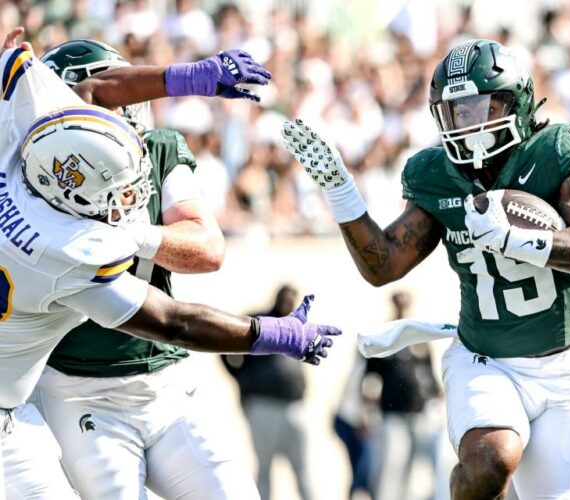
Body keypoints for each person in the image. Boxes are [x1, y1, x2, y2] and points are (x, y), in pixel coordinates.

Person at [0, 27, 340, 499]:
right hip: (73, 394)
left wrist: (192, 76)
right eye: (117, 194)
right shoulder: (67, 249)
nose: (132, 193)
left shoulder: (22, 144)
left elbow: (94, 90)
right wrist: (271, 334)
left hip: (162, 385)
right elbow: (173, 321)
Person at [283, 38, 570, 498]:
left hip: (562, 369)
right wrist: (341, 190)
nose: (470, 122)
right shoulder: (436, 173)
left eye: (483, 106)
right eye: (458, 110)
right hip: (484, 360)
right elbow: (382, 266)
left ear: (517, 103)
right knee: (490, 459)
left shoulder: (554, 151)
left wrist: (515, 240)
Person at [29, 38, 245, 500]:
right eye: (114, 91)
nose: (129, 104)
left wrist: (137, 235)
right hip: (77, 391)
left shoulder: (159, 149)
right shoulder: (33, 181)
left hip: (167, 381)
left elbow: (208, 248)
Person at [222, 284, 314, 500]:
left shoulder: (296, 325)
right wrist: (240, 377)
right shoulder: (260, 322)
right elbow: (225, 346)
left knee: (302, 467)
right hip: (263, 405)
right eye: (286, 299)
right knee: (264, 466)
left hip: (294, 406)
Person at [366, 291, 442, 500]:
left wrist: (436, 402)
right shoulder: (383, 335)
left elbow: (428, 372)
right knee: (392, 462)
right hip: (392, 413)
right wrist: (366, 411)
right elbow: (370, 376)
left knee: (414, 467)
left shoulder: (418, 335)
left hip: (418, 412)